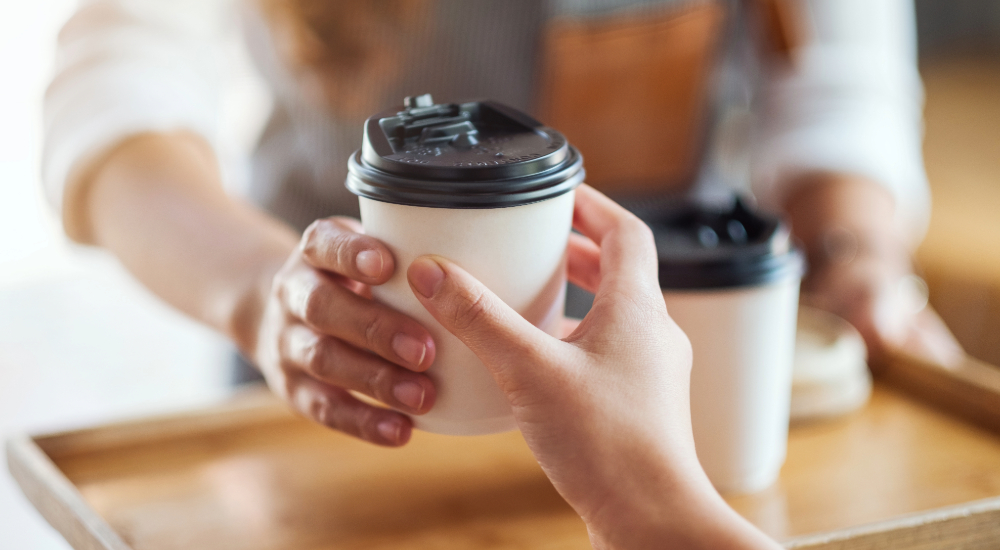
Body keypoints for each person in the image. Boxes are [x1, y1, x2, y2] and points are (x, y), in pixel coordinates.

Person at [45, 1, 959, 445]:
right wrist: (258, 295)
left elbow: (838, 86)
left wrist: (855, 260)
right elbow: (117, 85)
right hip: (340, 370)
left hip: (674, 365)